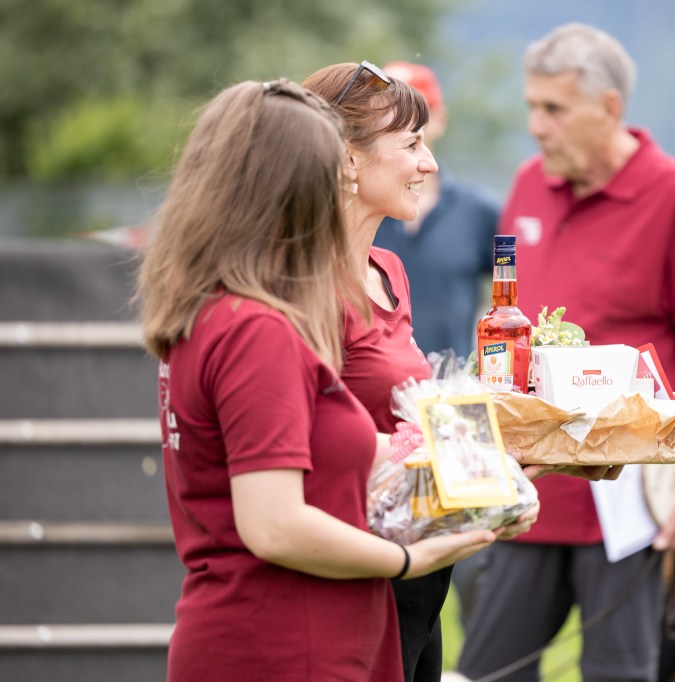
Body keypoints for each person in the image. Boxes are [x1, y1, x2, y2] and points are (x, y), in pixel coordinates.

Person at [135, 77, 498, 681]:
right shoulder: (258, 328)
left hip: (295, 636)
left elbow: (328, 453)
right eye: (331, 167)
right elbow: (274, 525)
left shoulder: (220, 311)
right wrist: (408, 559)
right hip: (287, 644)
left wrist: (488, 464)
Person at [457, 24, 675, 682]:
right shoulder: (528, 183)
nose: (536, 125)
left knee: (620, 673)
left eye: (554, 109)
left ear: (609, 107)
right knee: (488, 672)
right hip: (530, 491)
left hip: (629, 502)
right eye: (532, 106)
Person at [299, 62, 539, 682]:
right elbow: (311, 452)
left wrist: (501, 457)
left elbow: (401, 424)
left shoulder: (387, 271)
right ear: (348, 159)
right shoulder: (301, 289)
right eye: (411, 145)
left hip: (419, 579)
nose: (429, 164)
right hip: (353, 582)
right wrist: (468, 459)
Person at [372, 61, 500, 359]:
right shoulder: (359, 211)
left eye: (418, 116)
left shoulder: (477, 212)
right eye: (388, 118)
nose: (403, 127)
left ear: (440, 119)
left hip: (453, 383)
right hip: (375, 382)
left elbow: (521, 289)